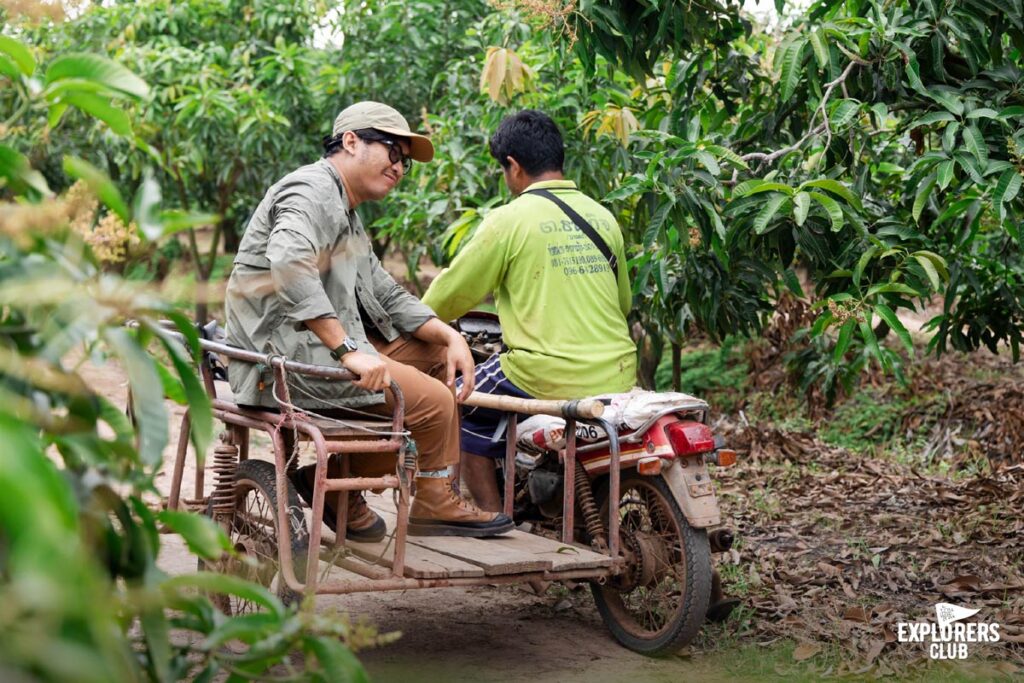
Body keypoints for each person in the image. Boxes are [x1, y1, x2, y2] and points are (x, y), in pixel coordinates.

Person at [224, 101, 514, 539]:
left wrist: (448, 335)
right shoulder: (310, 191)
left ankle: (342, 486)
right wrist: (347, 350)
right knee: (433, 404)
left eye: (405, 161)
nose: (399, 166)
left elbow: (385, 292)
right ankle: (432, 500)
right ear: (351, 141)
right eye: (393, 151)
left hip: (318, 350)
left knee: (437, 357)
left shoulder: (347, 214)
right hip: (282, 360)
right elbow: (289, 260)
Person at [421, 110, 637, 512]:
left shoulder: (509, 220)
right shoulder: (602, 217)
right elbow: (623, 303)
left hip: (540, 372)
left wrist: (414, 318)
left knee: (455, 404)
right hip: (617, 371)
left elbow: (449, 295)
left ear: (514, 167)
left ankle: (492, 517)